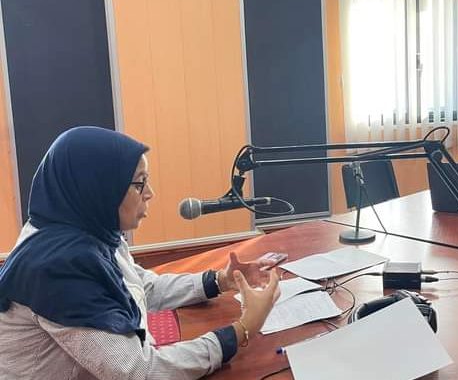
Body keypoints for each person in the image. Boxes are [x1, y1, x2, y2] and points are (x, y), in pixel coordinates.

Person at [0, 126, 280, 379]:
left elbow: (141, 286)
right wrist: (243, 329)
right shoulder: (59, 268)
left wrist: (219, 280)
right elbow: (139, 372)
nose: (150, 193)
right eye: (139, 183)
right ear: (100, 187)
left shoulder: (89, 230)